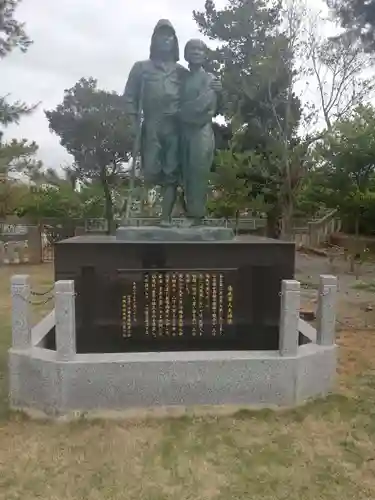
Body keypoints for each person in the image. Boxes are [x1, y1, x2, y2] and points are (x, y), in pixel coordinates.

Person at [124, 21, 222, 226]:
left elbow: (196, 88)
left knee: (172, 171)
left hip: (175, 126)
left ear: (175, 41)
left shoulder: (181, 72)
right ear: (154, 40)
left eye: (170, 36)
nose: (166, 40)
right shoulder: (141, 68)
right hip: (151, 125)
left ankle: (166, 217)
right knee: (151, 170)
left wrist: (215, 87)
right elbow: (129, 98)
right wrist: (133, 122)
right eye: (162, 35)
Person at [180, 39, 218, 226]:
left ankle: (197, 215)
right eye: (191, 49)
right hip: (184, 133)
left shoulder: (210, 79)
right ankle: (190, 213)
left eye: (199, 49)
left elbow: (206, 106)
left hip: (201, 131)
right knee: (186, 173)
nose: (195, 52)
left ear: (205, 54)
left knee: (198, 172)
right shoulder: (182, 79)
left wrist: (182, 112)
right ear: (185, 54)